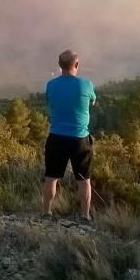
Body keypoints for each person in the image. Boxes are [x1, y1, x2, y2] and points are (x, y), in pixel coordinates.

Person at [43, 50, 97, 221]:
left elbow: (49, 102)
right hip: (80, 139)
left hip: (57, 137)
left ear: (60, 66)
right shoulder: (86, 84)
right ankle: (84, 216)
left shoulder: (51, 85)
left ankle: (46, 213)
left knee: (51, 177)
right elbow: (93, 101)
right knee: (84, 180)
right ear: (77, 65)